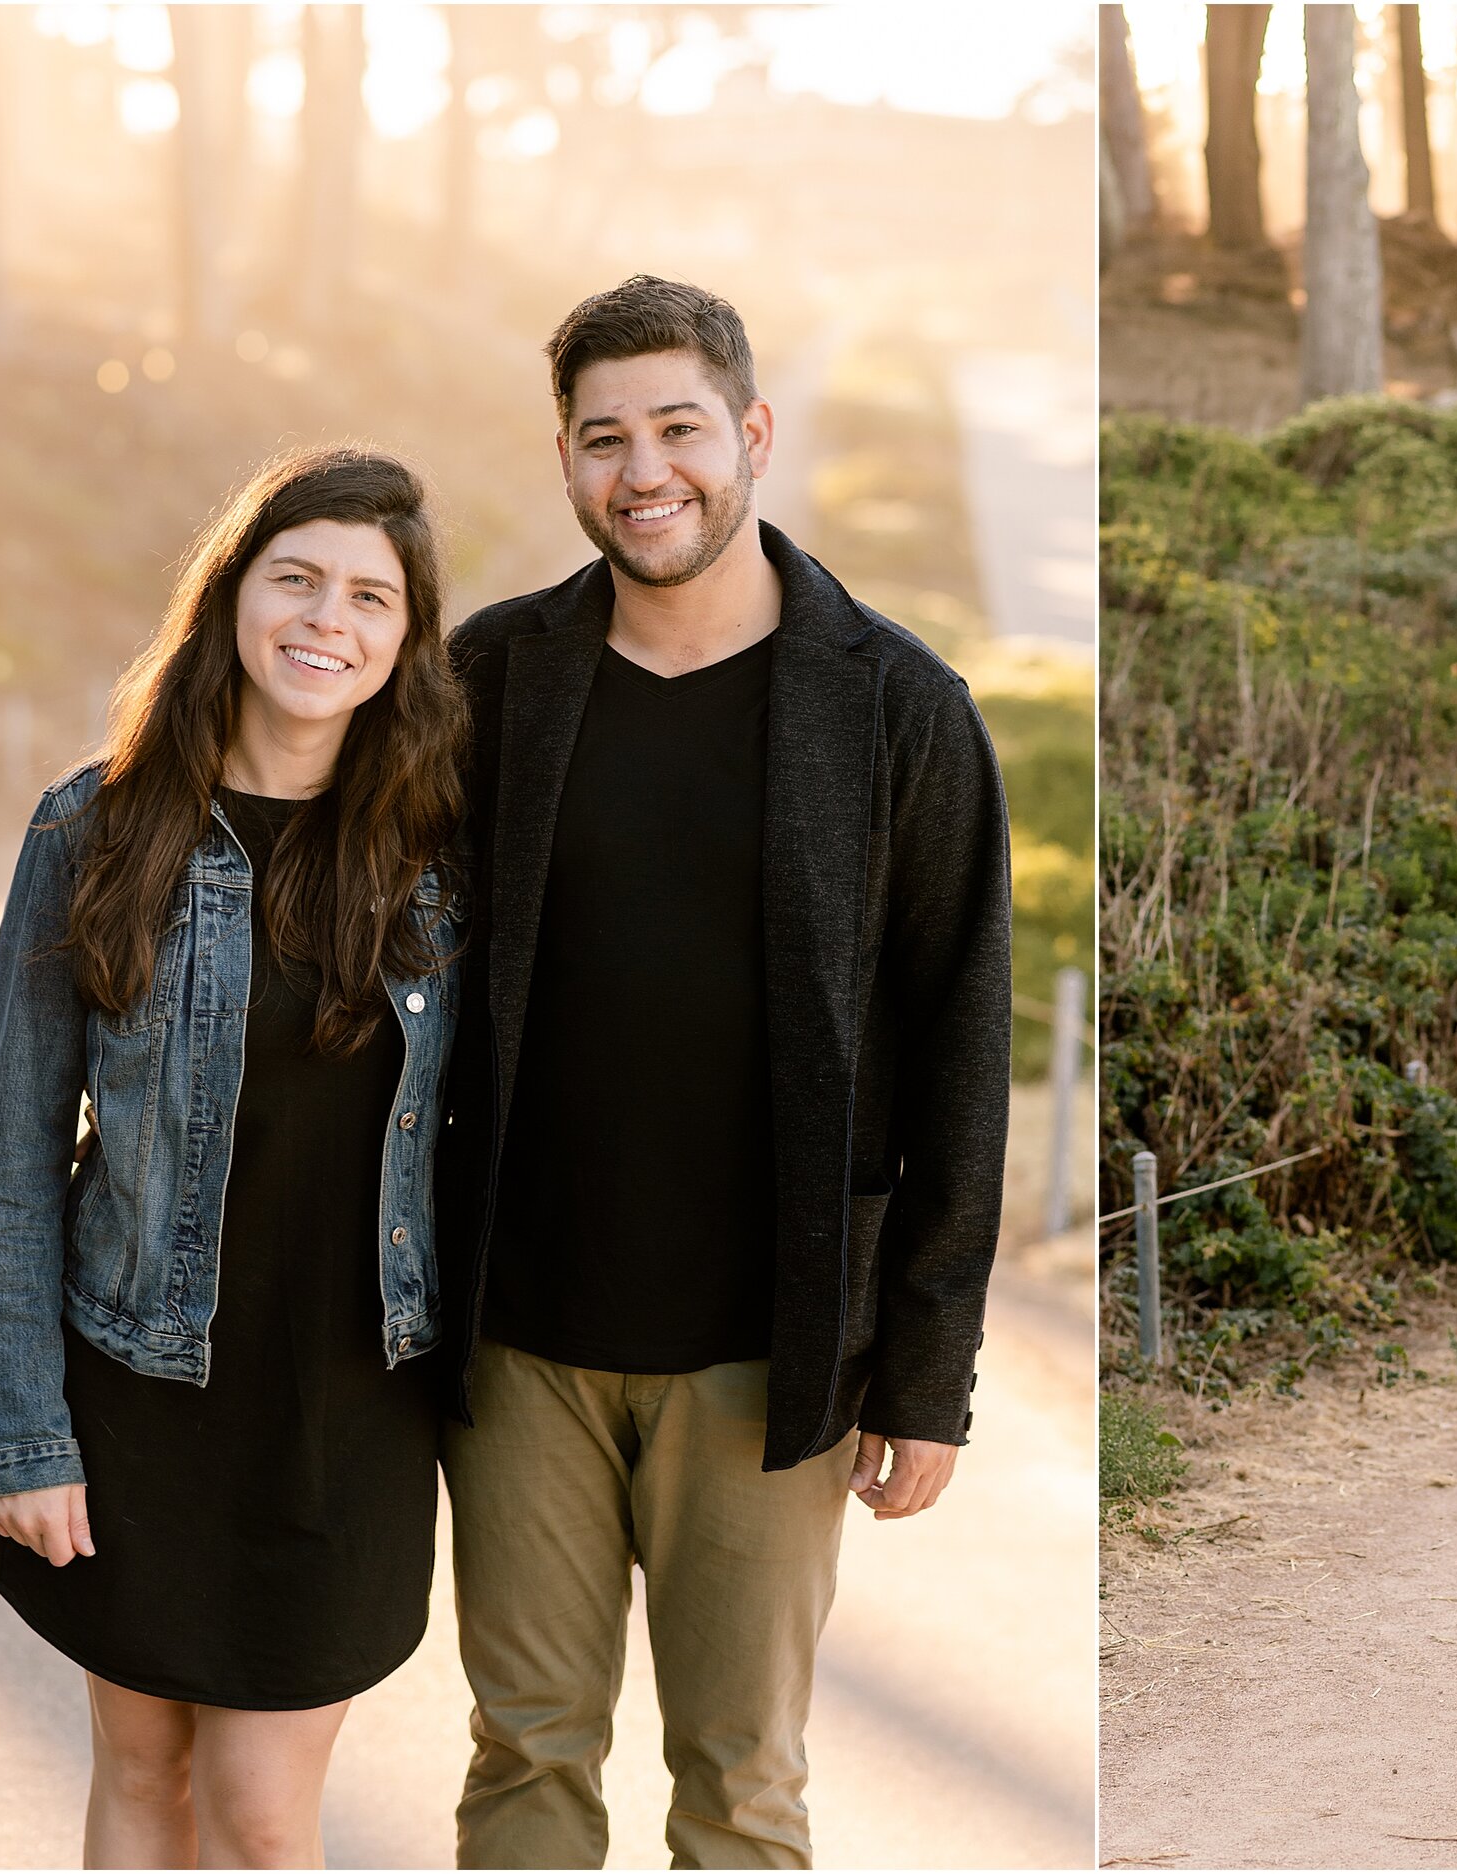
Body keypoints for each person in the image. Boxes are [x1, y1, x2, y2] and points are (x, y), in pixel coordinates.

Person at [434, 275, 1011, 1869]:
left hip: (771, 1357)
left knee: (742, 1779)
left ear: (752, 433)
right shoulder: (491, 680)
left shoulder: (899, 707)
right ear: (563, 459)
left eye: (679, 427)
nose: (645, 471)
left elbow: (962, 1036)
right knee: (523, 1756)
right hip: (518, 1344)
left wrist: (926, 1370)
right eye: (604, 438)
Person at [0, 447, 468, 1866]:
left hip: (351, 1407)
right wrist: (22, 1431)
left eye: (372, 595)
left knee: (257, 1813)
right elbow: (12, 1160)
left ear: (405, 639)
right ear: (233, 595)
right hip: (136, 1384)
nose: (329, 619)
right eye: (297, 576)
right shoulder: (96, 831)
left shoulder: (440, 863)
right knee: (142, 1772)